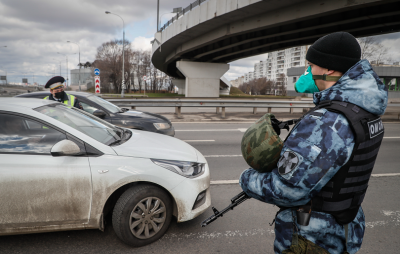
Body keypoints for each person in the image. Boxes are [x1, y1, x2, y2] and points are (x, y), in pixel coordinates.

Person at [239, 32, 388, 254]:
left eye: (311, 66)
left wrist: (247, 179)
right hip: (345, 228)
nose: (307, 72)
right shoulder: (365, 110)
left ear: (329, 68)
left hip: (314, 237)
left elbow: (287, 190)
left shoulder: (327, 122)